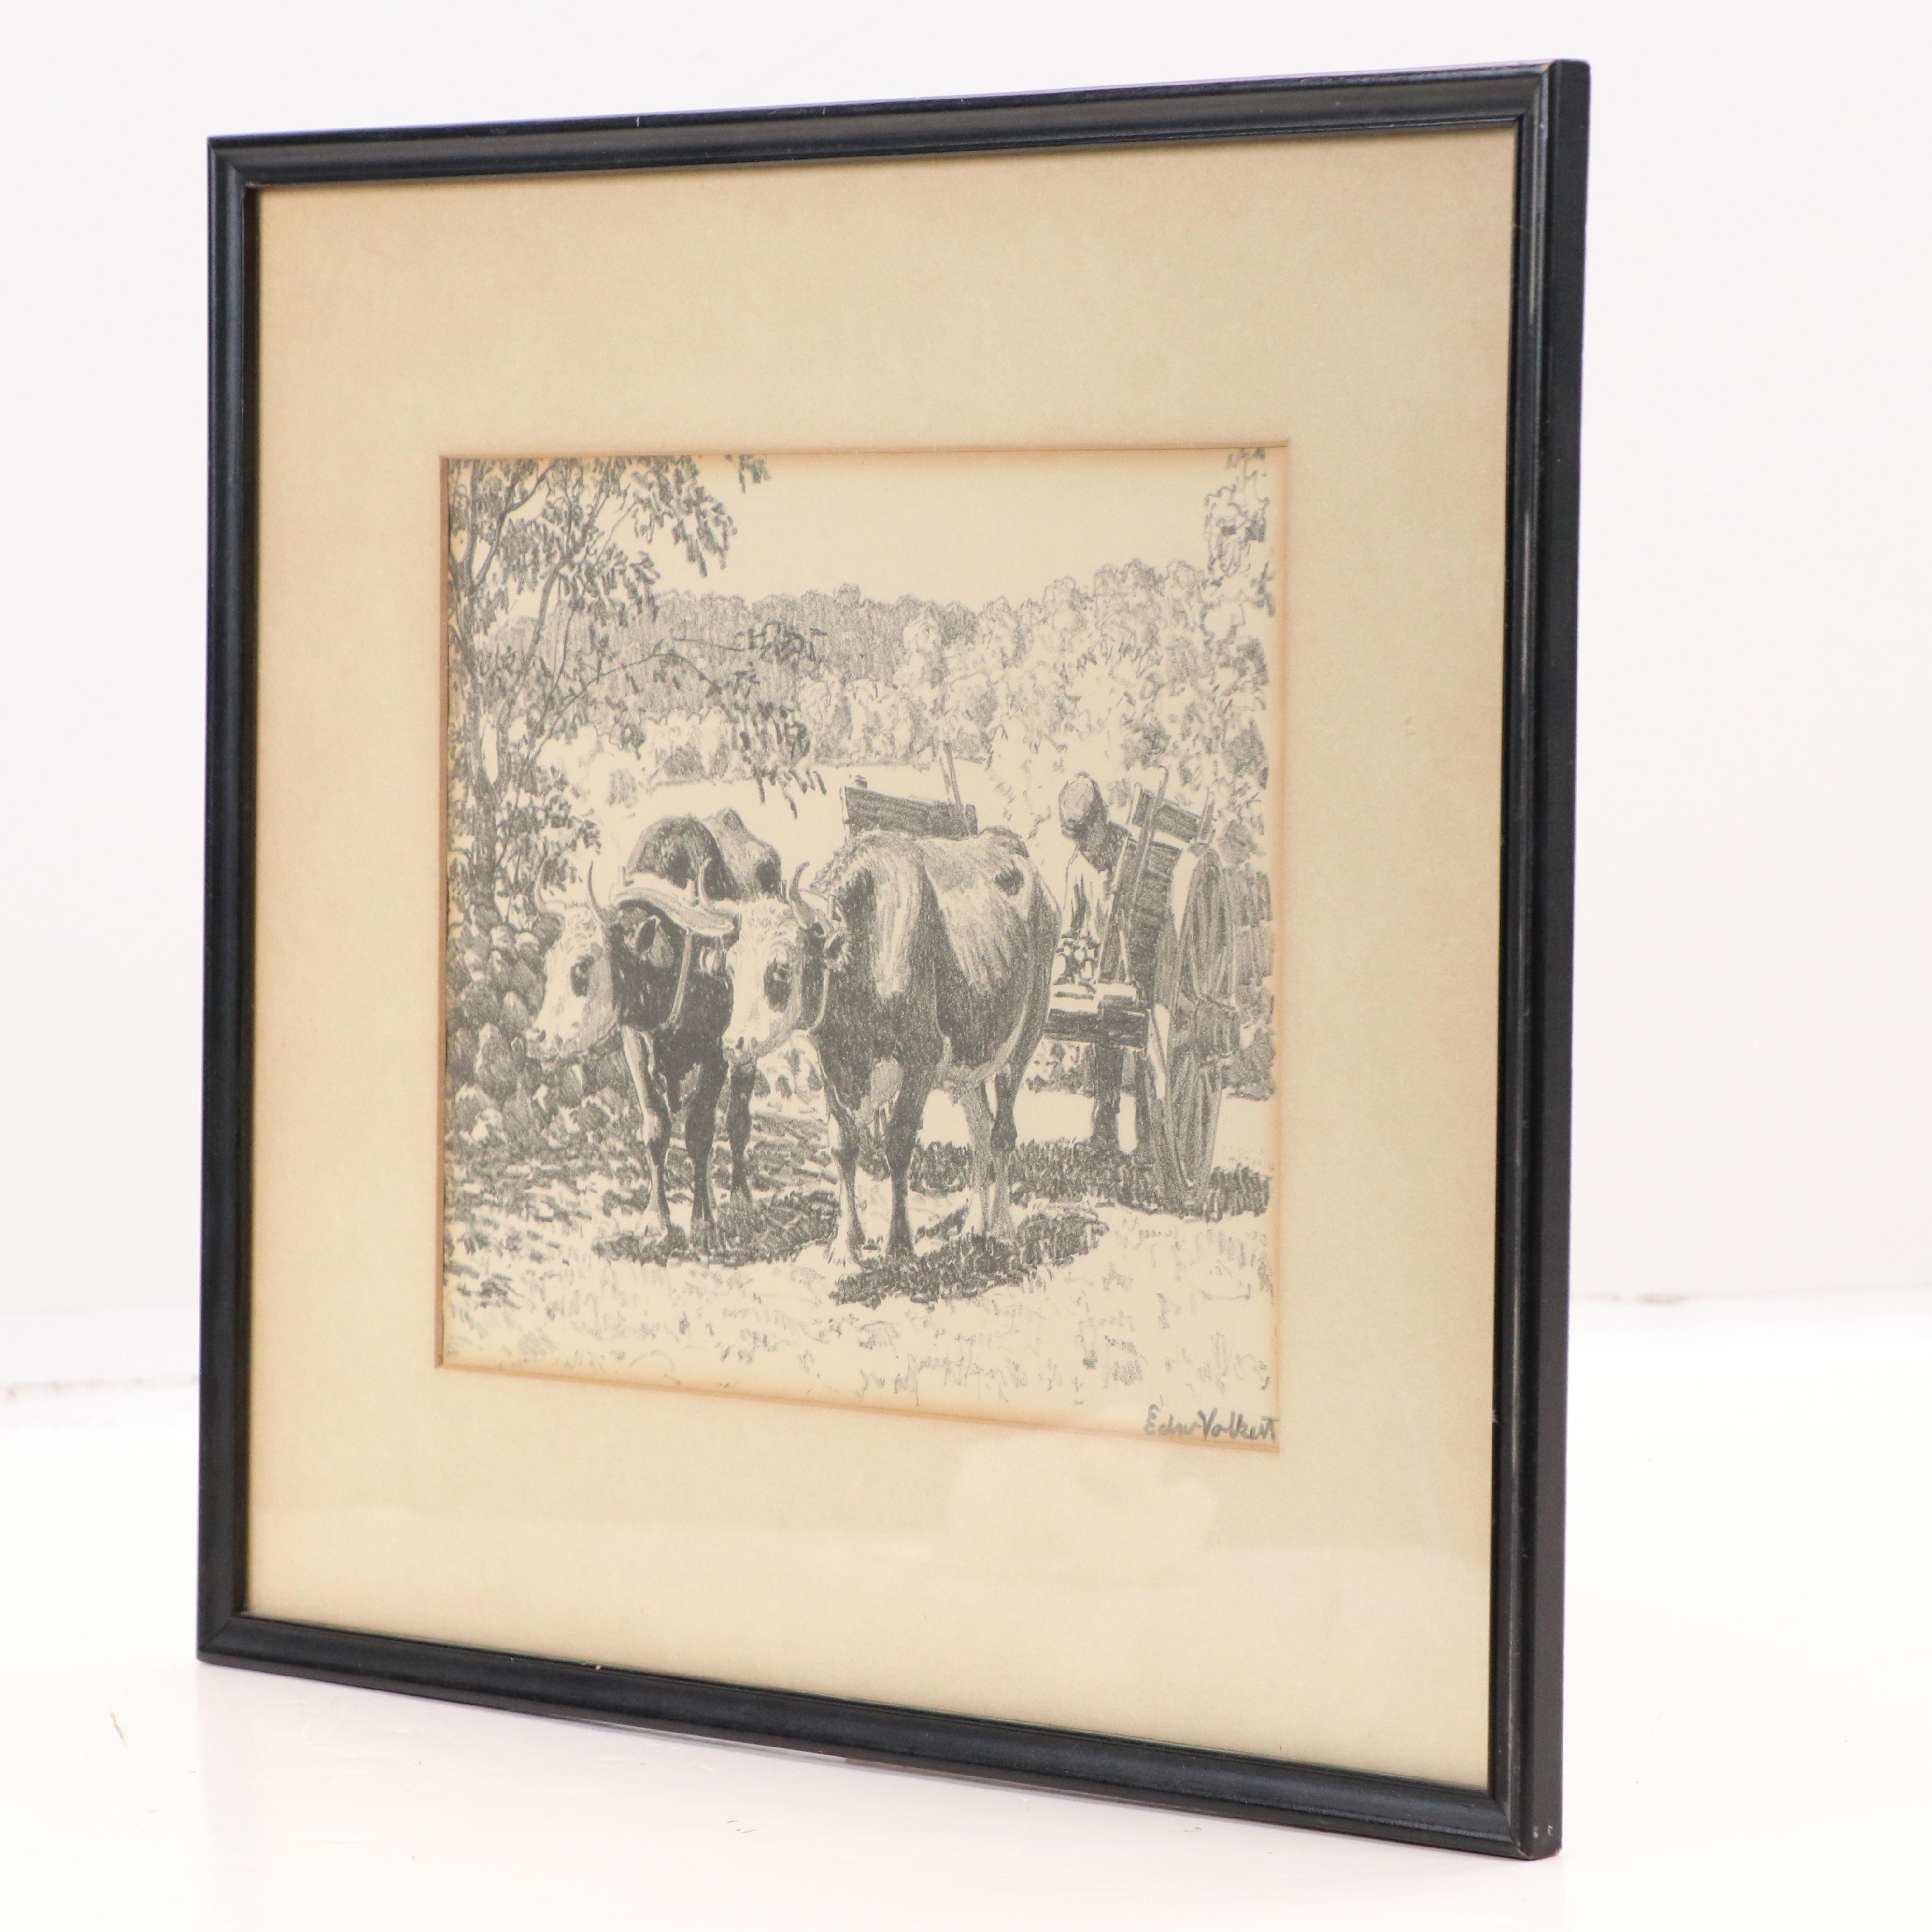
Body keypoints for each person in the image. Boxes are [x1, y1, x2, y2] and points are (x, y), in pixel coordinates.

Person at [1057, 775, 1130, 1154]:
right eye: (1077, 839)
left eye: (1087, 836)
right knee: (1104, 1044)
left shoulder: (1130, 859)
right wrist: (1069, 957)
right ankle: (1105, 1129)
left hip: (1133, 967)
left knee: (1118, 1036)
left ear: (1102, 822)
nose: (1084, 846)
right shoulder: (1078, 868)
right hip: (1097, 974)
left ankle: (1148, 1132)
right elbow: (1069, 932)